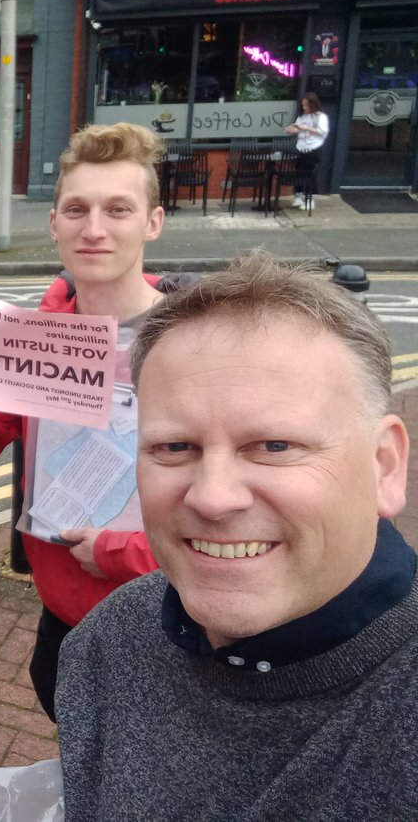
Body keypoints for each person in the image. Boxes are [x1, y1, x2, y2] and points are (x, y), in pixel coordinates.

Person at [57, 252, 417, 819]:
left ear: (385, 466)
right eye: (175, 447)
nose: (212, 497)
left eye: (275, 446)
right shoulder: (107, 643)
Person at [0, 122, 197, 721]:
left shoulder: (197, 342)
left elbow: (233, 498)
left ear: (153, 222)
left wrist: (129, 553)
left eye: (118, 209)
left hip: (175, 619)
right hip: (64, 624)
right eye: (76, 209)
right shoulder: (35, 340)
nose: (94, 229)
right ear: (54, 225)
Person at [284, 91, 328, 210]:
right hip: (301, 147)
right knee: (299, 172)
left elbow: (323, 132)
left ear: (313, 104)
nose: (305, 108)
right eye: (303, 105)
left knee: (310, 174)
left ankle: (310, 200)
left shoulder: (320, 116)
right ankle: (298, 197)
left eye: (307, 105)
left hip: (313, 148)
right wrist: (291, 129)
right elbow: (297, 129)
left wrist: (306, 128)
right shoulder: (302, 116)